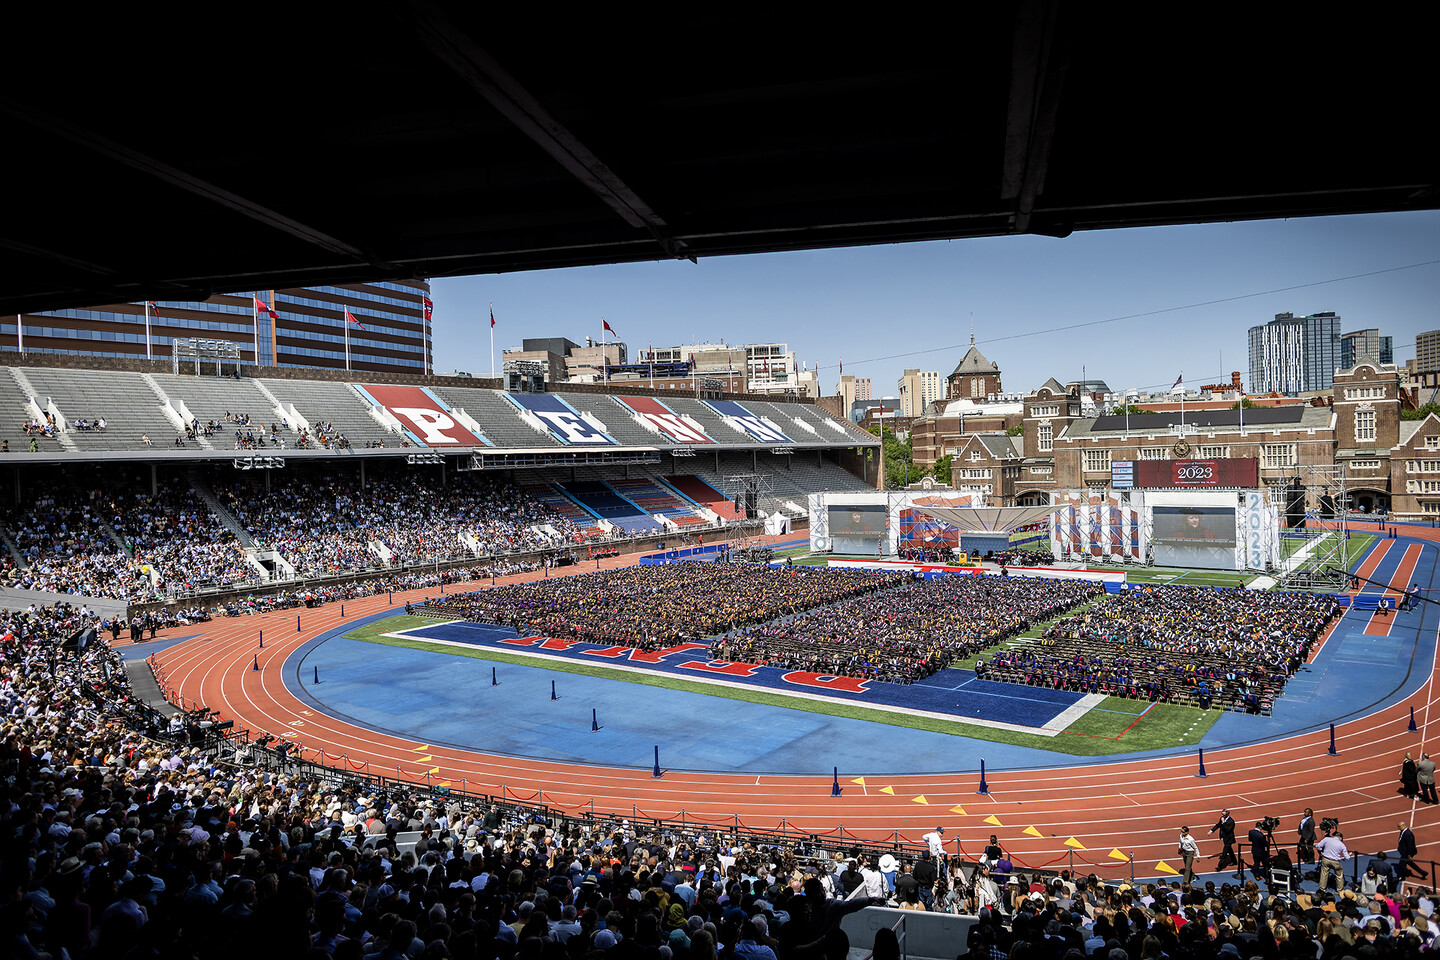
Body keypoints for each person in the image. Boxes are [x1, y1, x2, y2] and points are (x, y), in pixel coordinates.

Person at [1315, 828, 1350, 893]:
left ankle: (1322, 889)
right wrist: (1349, 854)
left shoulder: (1327, 839)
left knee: (1324, 874)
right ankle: (1340, 890)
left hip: (1325, 859)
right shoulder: (1342, 845)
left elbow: (1318, 846)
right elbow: (1347, 857)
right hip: (1335, 862)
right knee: (1339, 876)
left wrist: (1322, 853)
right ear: (1340, 838)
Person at [1210, 809, 1238, 873]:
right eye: (1222, 814)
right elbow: (1218, 825)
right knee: (1230, 850)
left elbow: (1228, 830)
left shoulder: (1231, 821)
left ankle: (1219, 867)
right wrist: (1211, 831)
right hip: (1225, 838)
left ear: (1227, 814)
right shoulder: (1222, 818)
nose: (1222, 816)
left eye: (1223, 814)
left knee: (1224, 853)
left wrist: (1224, 823)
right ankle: (1234, 862)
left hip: (1229, 839)